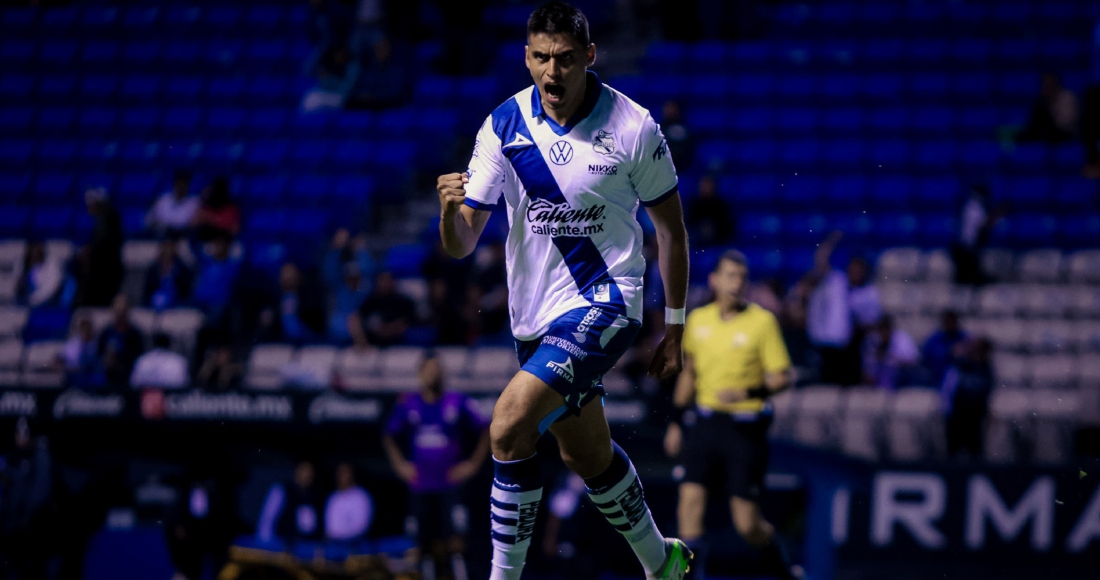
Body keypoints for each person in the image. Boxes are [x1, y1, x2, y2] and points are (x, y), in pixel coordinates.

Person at [435, 3, 692, 578]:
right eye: (542, 58)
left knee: (507, 425)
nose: (553, 72)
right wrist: (448, 214)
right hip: (535, 322)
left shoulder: (633, 126)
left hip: (608, 302)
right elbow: (462, 243)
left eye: (566, 59)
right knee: (586, 455)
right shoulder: (502, 125)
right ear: (527, 57)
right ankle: (662, 561)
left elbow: (672, 231)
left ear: (589, 57)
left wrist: (674, 328)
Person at [664, 250, 799, 580]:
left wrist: (749, 393)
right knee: (690, 505)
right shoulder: (698, 320)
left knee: (746, 523)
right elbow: (689, 374)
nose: (736, 284)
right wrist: (676, 422)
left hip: (744, 428)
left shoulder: (761, 321)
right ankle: (691, 577)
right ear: (714, 280)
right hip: (705, 422)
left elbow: (783, 376)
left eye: (742, 277)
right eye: (730, 276)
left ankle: (784, 570)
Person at [383, 353, 490, 579]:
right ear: (420, 374)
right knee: (421, 543)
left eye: (436, 370)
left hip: (450, 484)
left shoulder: (457, 401)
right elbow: (389, 435)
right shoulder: (409, 403)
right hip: (420, 484)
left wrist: (472, 464)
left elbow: (485, 428)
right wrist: (400, 465)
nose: (433, 374)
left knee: (457, 541)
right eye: (428, 370)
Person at [802, 232, 857, 385]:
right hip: (823, 341)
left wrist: (831, 241)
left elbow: (821, 259)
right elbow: (820, 260)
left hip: (838, 340)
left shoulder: (838, 279)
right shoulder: (822, 283)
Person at [942, 337, 994, 459]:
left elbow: (986, 392)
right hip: (958, 416)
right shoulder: (962, 364)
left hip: (975, 417)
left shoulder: (986, 368)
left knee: (974, 451)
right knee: (954, 451)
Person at [256, 461, 324, 544]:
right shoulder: (281, 490)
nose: (307, 475)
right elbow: (267, 520)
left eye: (310, 472)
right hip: (282, 545)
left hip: (306, 548)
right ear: (296, 471)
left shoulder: (315, 496)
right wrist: (265, 546)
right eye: (304, 470)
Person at [951, 185, 1005, 286]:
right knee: (967, 277)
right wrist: (996, 216)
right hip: (967, 247)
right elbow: (983, 224)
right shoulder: (974, 207)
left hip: (970, 246)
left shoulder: (970, 206)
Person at [79, 187, 124, 307]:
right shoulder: (100, 221)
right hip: (100, 270)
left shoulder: (110, 219)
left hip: (107, 270)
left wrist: (90, 251)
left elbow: (105, 245)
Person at [349, 271, 417, 347]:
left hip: (401, 347)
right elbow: (359, 320)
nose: (385, 283)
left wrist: (388, 330)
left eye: (388, 279)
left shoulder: (403, 302)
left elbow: (406, 323)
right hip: (372, 347)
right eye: (382, 280)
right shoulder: (369, 303)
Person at [97, 294, 145, 388]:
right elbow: (98, 354)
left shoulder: (135, 334)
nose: (120, 312)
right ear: (113, 310)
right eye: (118, 309)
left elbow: (140, 359)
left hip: (129, 379)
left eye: (123, 309)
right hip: (108, 379)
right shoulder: (106, 332)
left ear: (128, 310)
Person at [861, 315, 920, 389]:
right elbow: (868, 366)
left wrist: (889, 356)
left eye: (885, 329)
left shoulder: (901, 338)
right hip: (880, 378)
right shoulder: (873, 340)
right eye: (880, 330)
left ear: (890, 329)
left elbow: (913, 360)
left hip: (903, 376)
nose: (883, 333)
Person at [1017, 73, 1079, 143]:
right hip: (1047, 131)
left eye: (1049, 84)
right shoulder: (1041, 100)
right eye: (1045, 85)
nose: (1046, 87)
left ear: (1056, 84)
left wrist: (1051, 107)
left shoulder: (1067, 97)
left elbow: (1065, 124)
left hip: (1064, 133)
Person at [324, 462, 373, 542]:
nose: (341, 476)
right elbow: (329, 527)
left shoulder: (361, 496)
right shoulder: (333, 497)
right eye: (340, 473)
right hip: (334, 544)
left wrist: (344, 537)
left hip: (356, 544)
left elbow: (362, 526)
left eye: (345, 472)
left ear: (352, 474)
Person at [143, 238, 194, 311]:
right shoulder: (153, 268)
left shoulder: (182, 268)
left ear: (174, 249)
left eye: (170, 247)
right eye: (165, 247)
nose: (168, 250)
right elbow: (148, 290)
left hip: (176, 300)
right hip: (156, 299)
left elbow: (185, 290)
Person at [146, 169, 200, 237]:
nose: (181, 187)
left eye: (184, 184)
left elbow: (191, 224)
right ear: (175, 184)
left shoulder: (194, 202)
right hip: (162, 237)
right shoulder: (163, 200)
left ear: (188, 185)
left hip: (183, 238)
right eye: (179, 183)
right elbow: (148, 221)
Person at [685, 175, 734, 248]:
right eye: (703, 185)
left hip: (719, 243)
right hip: (696, 243)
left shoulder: (721, 207)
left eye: (708, 185)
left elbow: (728, 228)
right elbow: (687, 226)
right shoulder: (693, 206)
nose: (706, 188)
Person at [922, 310, 968, 386]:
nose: (950, 325)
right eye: (947, 322)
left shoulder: (965, 338)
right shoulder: (935, 339)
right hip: (937, 376)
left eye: (952, 322)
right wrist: (949, 352)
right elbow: (927, 357)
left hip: (961, 378)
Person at [59, 315, 105, 388]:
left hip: (93, 378)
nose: (86, 330)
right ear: (79, 329)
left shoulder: (98, 344)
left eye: (88, 327)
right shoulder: (71, 344)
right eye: (83, 327)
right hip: (74, 377)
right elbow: (61, 359)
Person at [192, 177, 241, 242]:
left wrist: (212, 220)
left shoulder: (232, 209)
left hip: (225, 242)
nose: (219, 194)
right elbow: (194, 223)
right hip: (206, 241)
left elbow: (235, 230)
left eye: (221, 191)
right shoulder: (206, 207)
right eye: (217, 191)